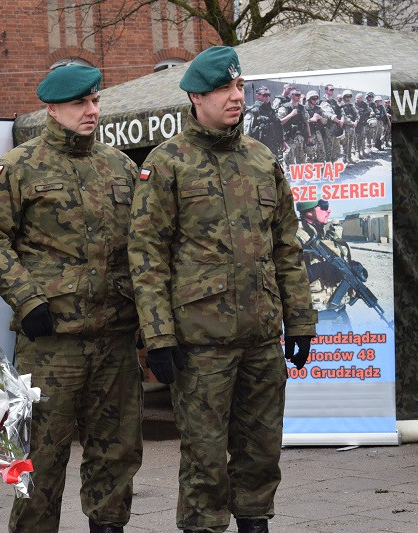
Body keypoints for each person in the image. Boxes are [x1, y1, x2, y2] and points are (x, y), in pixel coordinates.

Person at [128, 46, 317, 533]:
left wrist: (300, 321)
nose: (236, 97)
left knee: (260, 454)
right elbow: (148, 258)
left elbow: (287, 247)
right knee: (205, 462)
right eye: (223, 89)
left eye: (238, 87)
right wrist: (159, 338)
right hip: (201, 344)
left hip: (260, 338)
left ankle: (256, 524)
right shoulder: (167, 163)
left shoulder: (261, 159)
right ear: (196, 96)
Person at [0, 64, 143, 533]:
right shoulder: (20, 166)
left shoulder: (120, 165)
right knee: (42, 459)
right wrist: (27, 300)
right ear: (52, 108)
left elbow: (144, 246)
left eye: (95, 101)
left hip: (115, 336)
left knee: (117, 451)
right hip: (52, 341)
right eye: (79, 104)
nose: (91, 111)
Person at [296, 199, 364, 329]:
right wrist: (319, 270)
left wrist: (350, 266)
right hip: (315, 316)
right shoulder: (295, 237)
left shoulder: (323, 235)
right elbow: (286, 279)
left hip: (339, 312)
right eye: (324, 206)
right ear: (310, 212)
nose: (329, 210)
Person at [246, 86, 284, 160]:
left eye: (268, 95)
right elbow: (247, 132)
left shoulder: (272, 111)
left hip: (273, 148)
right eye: (265, 95)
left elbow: (279, 126)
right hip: (259, 148)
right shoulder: (253, 112)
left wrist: (282, 141)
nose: (267, 97)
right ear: (257, 96)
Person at [279, 87, 311, 166]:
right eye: (297, 95)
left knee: (302, 162)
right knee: (289, 162)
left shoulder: (302, 108)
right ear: (291, 96)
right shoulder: (285, 107)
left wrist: (309, 136)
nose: (299, 96)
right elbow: (279, 123)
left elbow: (306, 122)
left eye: (299, 95)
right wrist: (291, 115)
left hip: (300, 138)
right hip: (289, 138)